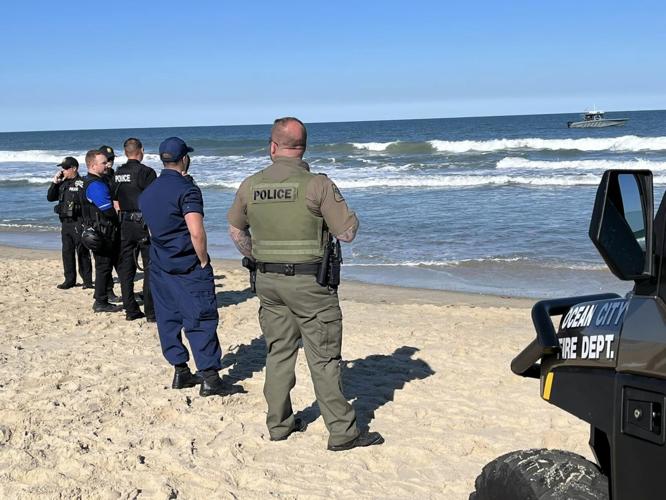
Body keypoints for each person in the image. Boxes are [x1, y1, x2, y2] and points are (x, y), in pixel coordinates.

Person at [227, 117, 383, 451]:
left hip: (268, 282)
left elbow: (236, 232)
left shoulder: (250, 185)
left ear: (272, 147)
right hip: (311, 284)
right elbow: (347, 234)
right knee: (324, 358)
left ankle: (279, 424)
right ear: (303, 148)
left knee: (278, 352)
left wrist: (257, 257)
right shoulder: (318, 185)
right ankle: (342, 433)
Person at [139, 137, 244, 397]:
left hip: (161, 263)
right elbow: (196, 231)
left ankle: (180, 370)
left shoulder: (149, 191)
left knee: (168, 318)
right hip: (187, 264)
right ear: (184, 158)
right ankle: (209, 378)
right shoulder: (187, 189)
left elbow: (152, 231)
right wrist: (204, 260)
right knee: (200, 316)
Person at [112, 138, 156, 321]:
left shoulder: (117, 174)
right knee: (149, 268)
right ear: (141, 150)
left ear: (125, 152)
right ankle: (151, 312)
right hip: (143, 223)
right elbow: (154, 200)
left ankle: (130, 310)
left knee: (127, 269)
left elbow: (115, 201)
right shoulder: (146, 172)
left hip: (125, 223)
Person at [81, 150, 122, 313]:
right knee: (104, 266)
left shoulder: (90, 181)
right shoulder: (95, 184)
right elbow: (108, 211)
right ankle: (100, 301)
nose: (107, 165)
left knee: (105, 266)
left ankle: (102, 296)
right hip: (102, 232)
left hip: (97, 230)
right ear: (92, 165)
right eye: (103, 163)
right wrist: (117, 210)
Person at [46, 156, 92, 289]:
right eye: (62, 168)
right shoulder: (62, 183)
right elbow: (50, 198)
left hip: (79, 222)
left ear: (74, 168)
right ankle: (69, 280)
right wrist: (55, 182)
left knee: (82, 252)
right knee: (67, 252)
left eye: (66, 168)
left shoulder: (82, 183)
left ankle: (87, 281)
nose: (63, 171)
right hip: (65, 223)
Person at [98, 144, 121, 302]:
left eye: (112, 160)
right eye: (107, 160)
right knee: (104, 263)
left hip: (116, 220)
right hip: (103, 222)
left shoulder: (114, 174)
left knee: (116, 259)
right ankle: (106, 292)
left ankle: (110, 290)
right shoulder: (97, 178)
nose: (110, 163)